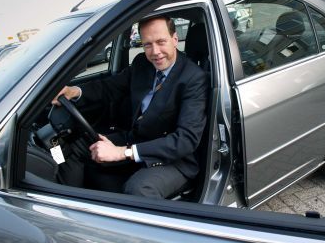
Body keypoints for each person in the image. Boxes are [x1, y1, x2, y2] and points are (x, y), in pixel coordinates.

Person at [52, 15, 209, 199]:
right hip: (136, 139)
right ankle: (69, 205)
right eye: (148, 44)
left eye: (161, 42)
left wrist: (122, 152)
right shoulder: (142, 63)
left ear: (175, 39)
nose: (155, 52)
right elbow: (109, 87)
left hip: (174, 159)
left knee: (138, 190)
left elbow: (185, 140)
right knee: (71, 149)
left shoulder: (194, 78)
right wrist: (74, 91)